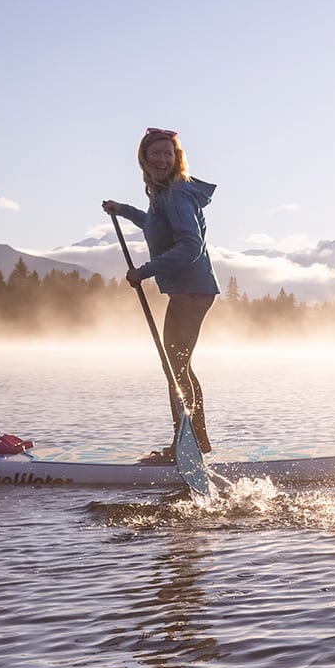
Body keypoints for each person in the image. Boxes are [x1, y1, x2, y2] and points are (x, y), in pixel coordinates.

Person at [103, 127, 220, 460]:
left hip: (192, 290)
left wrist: (144, 271)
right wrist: (122, 209)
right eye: (155, 153)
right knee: (178, 366)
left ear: (177, 158)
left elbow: (190, 246)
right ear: (144, 158)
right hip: (188, 290)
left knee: (176, 368)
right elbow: (155, 224)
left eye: (168, 153)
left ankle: (186, 445)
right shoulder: (163, 195)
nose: (161, 158)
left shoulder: (178, 195)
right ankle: (195, 441)